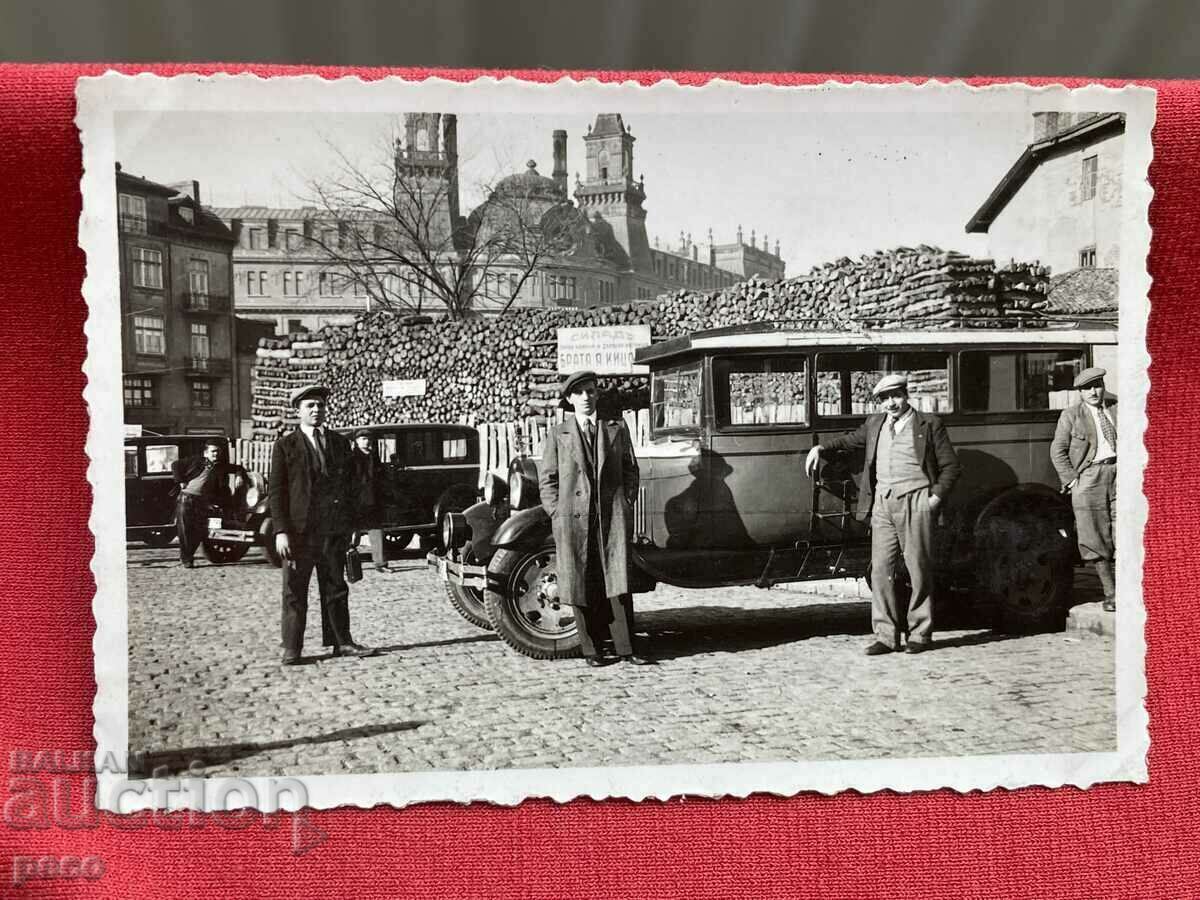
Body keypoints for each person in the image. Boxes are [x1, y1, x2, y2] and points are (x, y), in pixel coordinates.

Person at [804, 374, 961, 655]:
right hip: (882, 504)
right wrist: (820, 448)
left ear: (906, 395)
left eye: (896, 396)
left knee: (918, 569)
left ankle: (920, 634)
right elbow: (851, 440)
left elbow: (951, 467)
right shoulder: (875, 424)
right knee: (880, 570)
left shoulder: (929, 424)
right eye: (885, 399)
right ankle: (886, 636)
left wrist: (933, 499)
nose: (891, 403)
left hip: (916, 502)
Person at [539, 370, 651, 667]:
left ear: (597, 395)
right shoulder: (558, 434)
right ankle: (593, 650)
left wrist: (625, 502)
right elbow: (547, 479)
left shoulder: (615, 427)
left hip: (610, 517)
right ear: (569, 399)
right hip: (574, 520)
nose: (586, 397)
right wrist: (556, 512)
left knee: (617, 581)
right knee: (582, 581)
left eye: (590, 391)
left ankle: (628, 649)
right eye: (579, 393)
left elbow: (631, 469)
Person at [270, 384, 373, 665]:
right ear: (298, 411)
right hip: (299, 533)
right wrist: (281, 531)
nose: (316, 411)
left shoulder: (340, 444)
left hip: (333, 531)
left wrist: (353, 527)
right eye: (310, 406)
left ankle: (342, 642)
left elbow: (351, 488)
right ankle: (292, 648)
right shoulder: (285, 446)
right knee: (294, 591)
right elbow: (276, 492)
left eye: (320, 406)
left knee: (336, 588)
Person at [1051, 366, 1118, 612]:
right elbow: (1057, 451)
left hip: (1120, 473)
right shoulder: (1071, 415)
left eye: (1097, 386)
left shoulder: (1116, 408)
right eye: (1087, 388)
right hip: (1088, 479)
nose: (1093, 392)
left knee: (1126, 531)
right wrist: (1072, 480)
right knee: (1094, 537)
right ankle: (1111, 594)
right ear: (1079, 392)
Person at [170, 439, 246, 568]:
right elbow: (175, 464)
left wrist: (239, 475)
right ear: (206, 453)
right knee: (185, 530)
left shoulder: (220, 466)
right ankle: (186, 559)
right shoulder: (196, 461)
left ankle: (188, 556)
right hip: (187, 499)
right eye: (213, 452)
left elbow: (239, 468)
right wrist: (180, 481)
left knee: (199, 531)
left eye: (218, 452)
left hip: (202, 502)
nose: (216, 454)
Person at [351, 428, 387, 572]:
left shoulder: (374, 457)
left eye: (368, 439)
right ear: (356, 441)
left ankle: (380, 563)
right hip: (356, 500)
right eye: (363, 439)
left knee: (376, 531)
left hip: (373, 500)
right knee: (352, 534)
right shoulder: (351, 458)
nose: (366, 441)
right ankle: (350, 563)